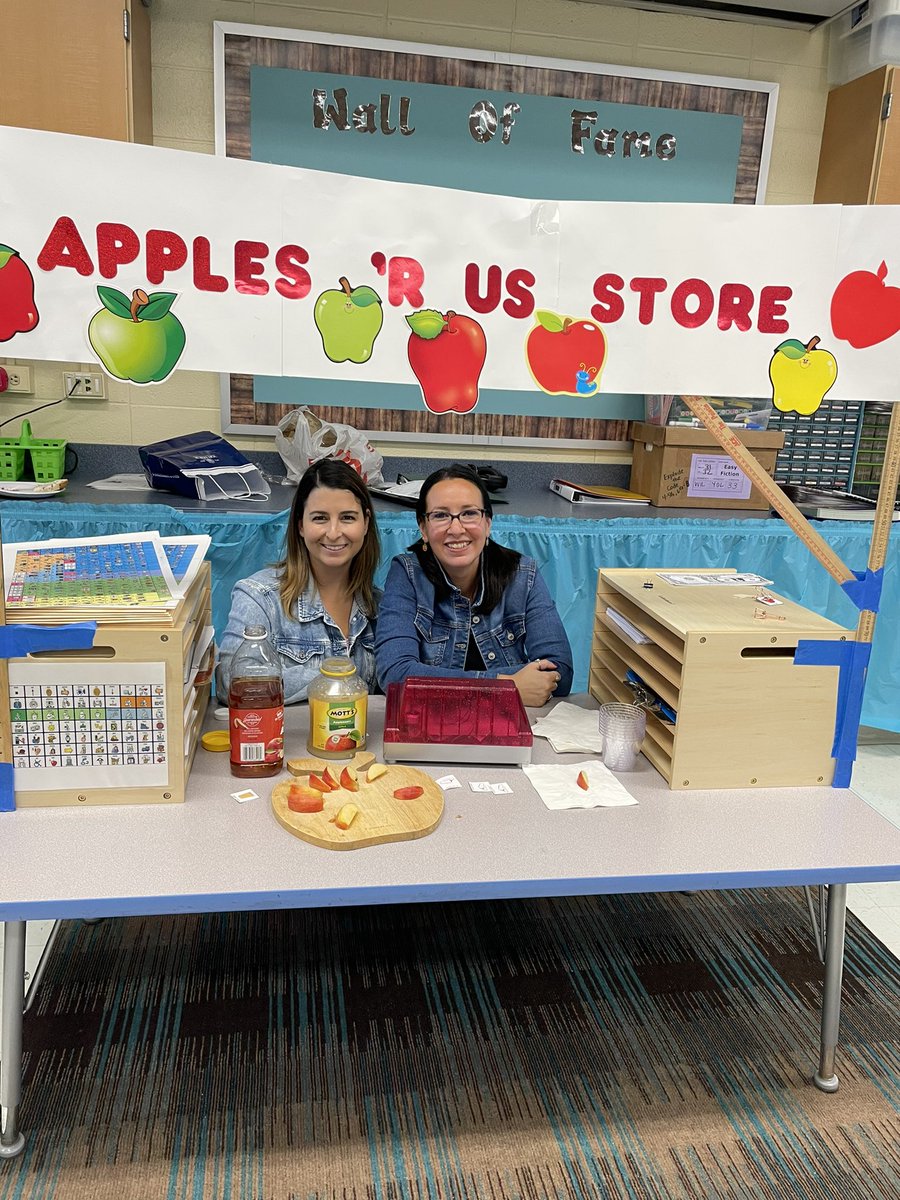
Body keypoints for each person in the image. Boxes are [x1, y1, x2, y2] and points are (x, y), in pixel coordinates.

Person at [375, 464, 573, 706]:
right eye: (440, 515)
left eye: (469, 513)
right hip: (433, 727)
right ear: (423, 528)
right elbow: (394, 674)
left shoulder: (523, 574)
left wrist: (440, 683)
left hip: (509, 729)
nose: (456, 528)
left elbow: (558, 672)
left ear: (487, 523)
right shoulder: (407, 574)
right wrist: (505, 686)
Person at [217, 458, 381, 704]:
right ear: (300, 525)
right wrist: (336, 677)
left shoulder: (383, 607)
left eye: (347, 518)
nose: (334, 533)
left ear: (366, 523)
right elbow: (232, 682)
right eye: (320, 518)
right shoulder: (259, 597)